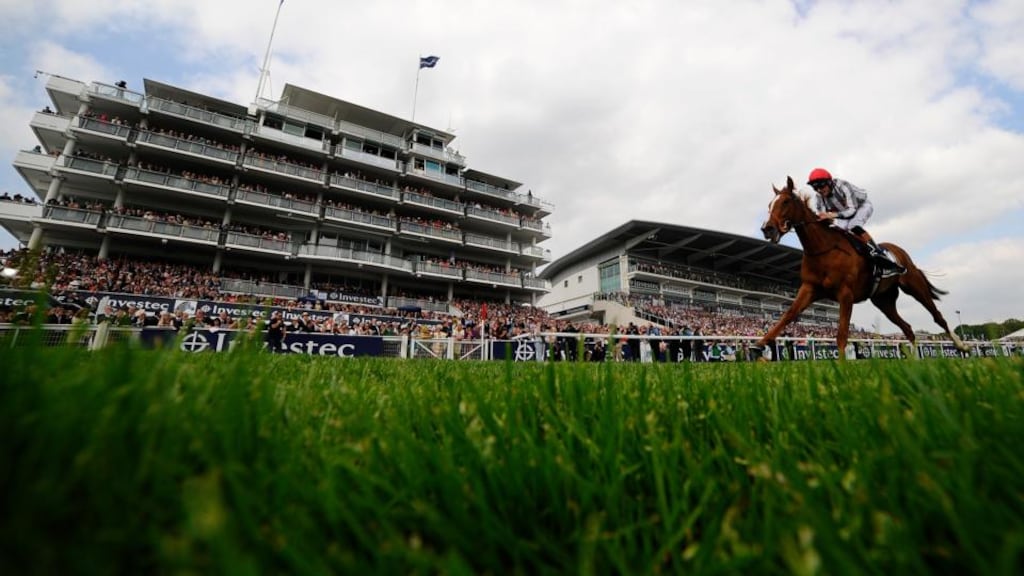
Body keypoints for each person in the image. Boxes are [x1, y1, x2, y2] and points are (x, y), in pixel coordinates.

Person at [807, 167, 905, 278]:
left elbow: (852, 211)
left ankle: (878, 253)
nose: (819, 190)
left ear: (829, 182)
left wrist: (831, 215)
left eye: (821, 186)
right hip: (843, 212)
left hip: (861, 207)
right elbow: (822, 215)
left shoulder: (843, 186)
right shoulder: (819, 198)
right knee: (836, 230)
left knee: (853, 226)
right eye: (815, 188)